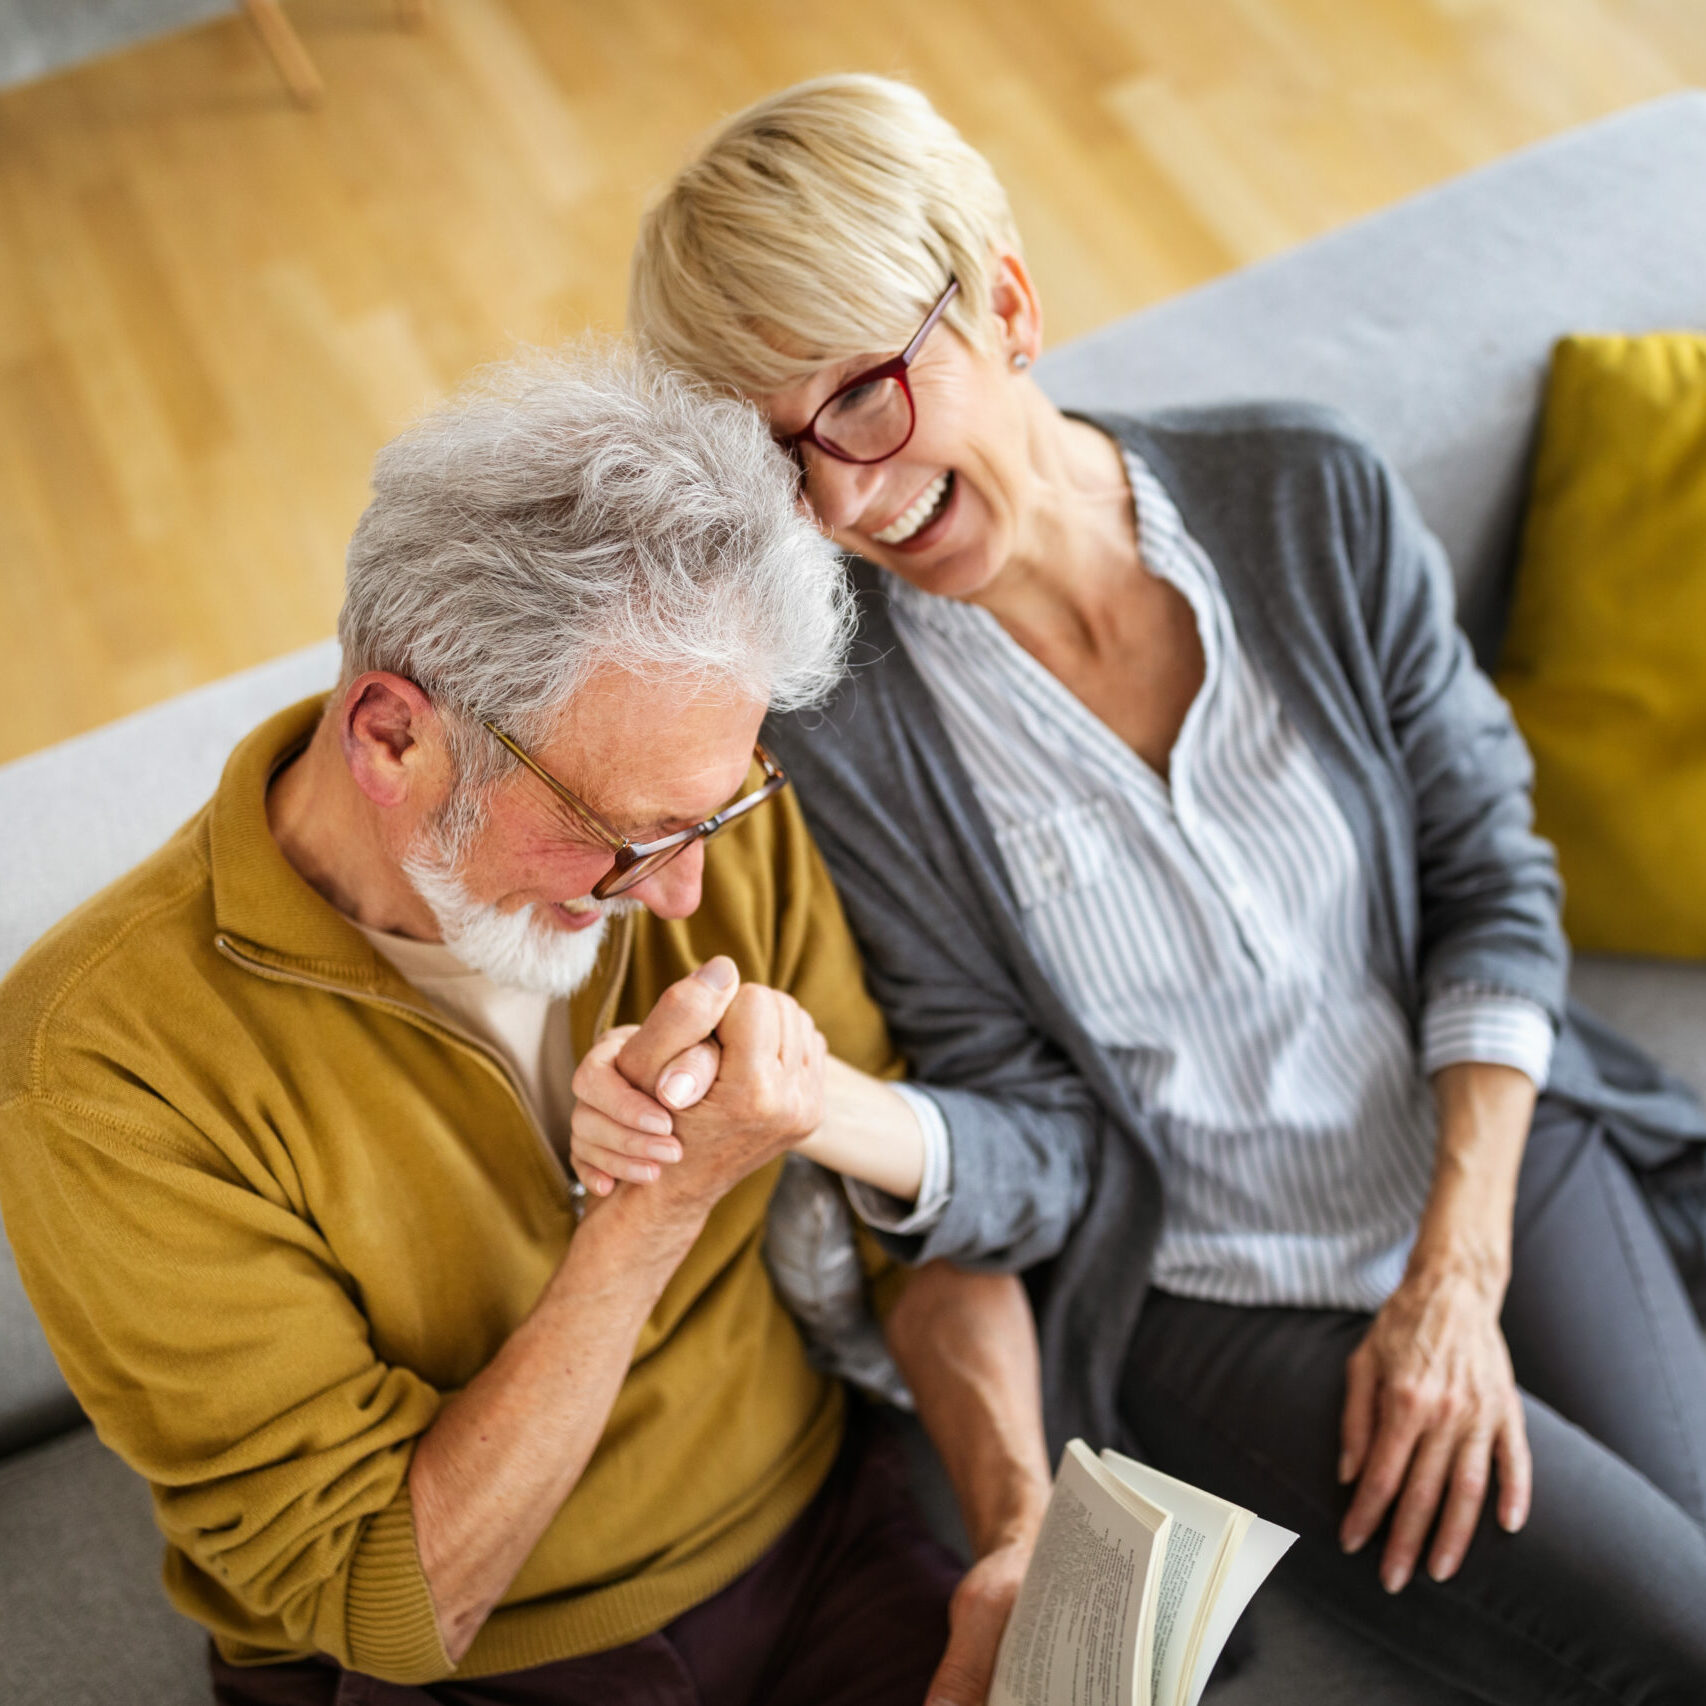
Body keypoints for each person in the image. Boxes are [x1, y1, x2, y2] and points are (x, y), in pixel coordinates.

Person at [574, 74, 1706, 1700]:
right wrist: (822, 1106)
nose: (835, 497)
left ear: (1007, 301)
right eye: (776, 456)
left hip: (1487, 1155)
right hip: (1211, 1290)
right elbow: (1019, 1121)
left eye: (862, 401)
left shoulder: (1303, 496)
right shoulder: (847, 734)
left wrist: (1456, 1270)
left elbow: (1489, 881)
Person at [0, 345, 1052, 1706]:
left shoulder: (708, 819)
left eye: (710, 817)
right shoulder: (99, 1066)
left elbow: (914, 1232)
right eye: (622, 835)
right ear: (389, 737)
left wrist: (1017, 1529)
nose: (683, 891)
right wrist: (650, 1213)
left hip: (821, 1549)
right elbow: (386, 1599)